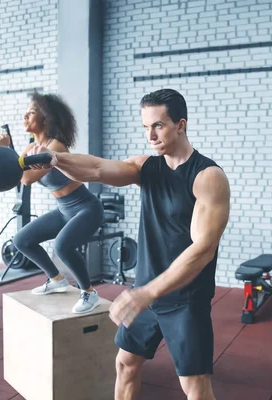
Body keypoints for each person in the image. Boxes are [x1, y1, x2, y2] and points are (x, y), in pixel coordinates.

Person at [28, 88, 230, 400]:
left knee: (195, 387)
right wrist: (55, 159)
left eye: (158, 126)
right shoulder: (146, 167)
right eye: (146, 127)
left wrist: (147, 292)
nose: (150, 135)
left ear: (181, 124)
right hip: (145, 294)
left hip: (184, 300)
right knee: (125, 364)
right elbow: (96, 168)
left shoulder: (207, 176)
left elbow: (202, 249)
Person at [0, 91, 105, 314]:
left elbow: (26, 178)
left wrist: (7, 150)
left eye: (31, 113)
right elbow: (12, 172)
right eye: (25, 113)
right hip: (63, 210)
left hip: (86, 208)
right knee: (22, 240)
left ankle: (89, 293)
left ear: (46, 118)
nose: (24, 117)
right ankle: (56, 279)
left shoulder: (55, 147)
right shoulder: (29, 147)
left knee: (63, 246)